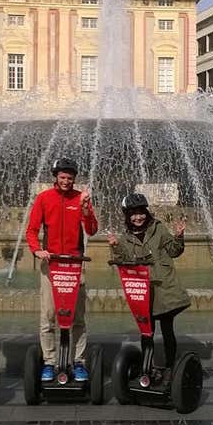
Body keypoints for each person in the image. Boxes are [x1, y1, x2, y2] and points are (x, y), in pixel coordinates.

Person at [26, 158, 98, 382]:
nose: (66, 181)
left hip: (75, 265)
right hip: (51, 265)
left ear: (74, 178)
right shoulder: (44, 198)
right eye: (62, 177)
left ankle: (79, 362)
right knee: (48, 316)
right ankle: (49, 362)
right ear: (55, 177)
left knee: (77, 318)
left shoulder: (80, 198)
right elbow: (31, 230)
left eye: (70, 178)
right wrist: (37, 250)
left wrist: (86, 210)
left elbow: (92, 229)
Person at [107, 193, 190, 382]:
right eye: (133, 214)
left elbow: (174, 251)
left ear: (146, 212)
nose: (138, 217)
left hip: (164, 288)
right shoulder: (125, 238)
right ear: (127, 216)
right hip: (143, 291)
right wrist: (116, 247)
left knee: (168, 329)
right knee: (147, 332)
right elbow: (123, 262)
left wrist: (179, 236)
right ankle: (147, 367)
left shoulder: (158, 228)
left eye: (141, 212)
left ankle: (170, 367)